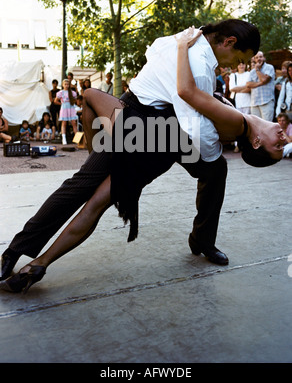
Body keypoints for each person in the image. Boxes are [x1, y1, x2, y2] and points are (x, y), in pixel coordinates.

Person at [1, 21, 285, 293]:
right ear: (228, 42)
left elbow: (158, 57)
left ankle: (203, 240)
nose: (236, 67)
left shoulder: (191, 40)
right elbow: (194, 124)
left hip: (163, 130)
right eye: (238, 59)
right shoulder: (198, 62)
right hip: (148, 126)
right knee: (85, 186)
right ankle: (15, 252)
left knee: (215, 171)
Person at [246, 51, 275, 121]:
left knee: (267, 125)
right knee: (256, 126)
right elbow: (248, 84)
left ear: (264, 58)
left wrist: (257, 70)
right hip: (255, 102)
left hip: (267, 101)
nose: (259, 59)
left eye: (260, 57)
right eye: (256, 57)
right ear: (254, 59)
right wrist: (260, 83)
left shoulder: (269, 67)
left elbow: (264, 80)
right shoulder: (252, 72)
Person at [55, 79, 78, 145]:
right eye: (65, 84)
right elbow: (55, 101)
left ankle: (77, 139)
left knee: (74, 122)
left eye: (68, 84)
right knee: (64, 123)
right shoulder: (61, 93)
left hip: (71, 107)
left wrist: (72, 102)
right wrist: (62, 104)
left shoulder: (72, 92)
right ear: (63, 85)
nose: (66, 86)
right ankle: (64, 138)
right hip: (64, 108)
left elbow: (75, 100)